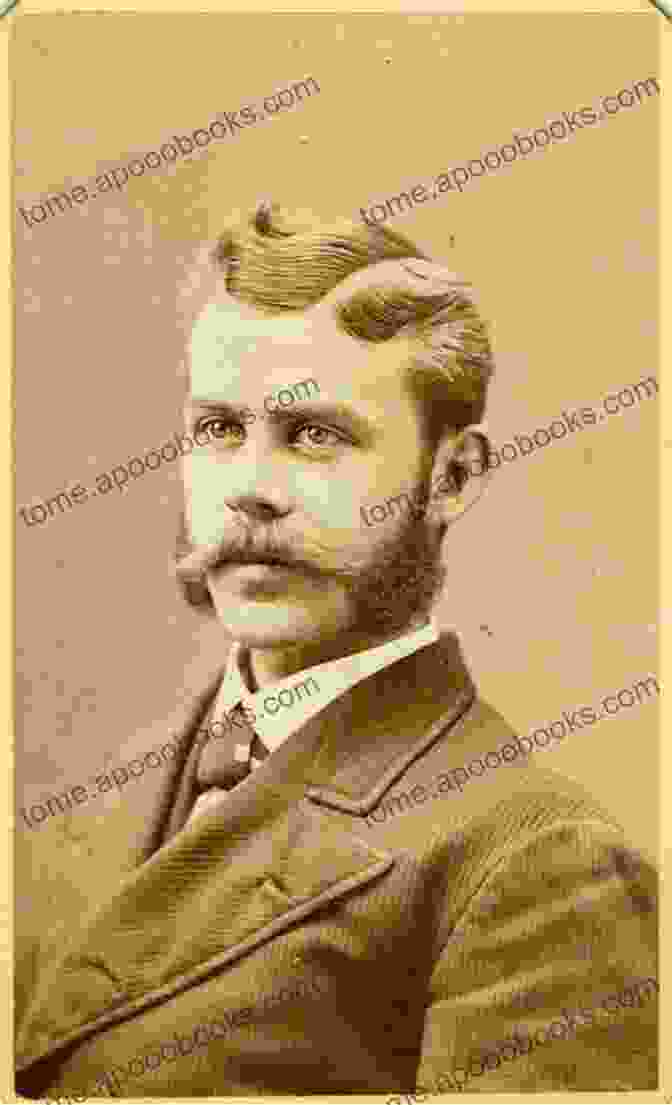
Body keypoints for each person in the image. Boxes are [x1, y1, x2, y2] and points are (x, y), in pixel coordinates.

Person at [15, 203, 657, 1098]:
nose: (251, 492)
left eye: (316, 436)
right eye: (219, 430)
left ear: (452, 475)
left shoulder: (535, 859)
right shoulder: (99, 794)